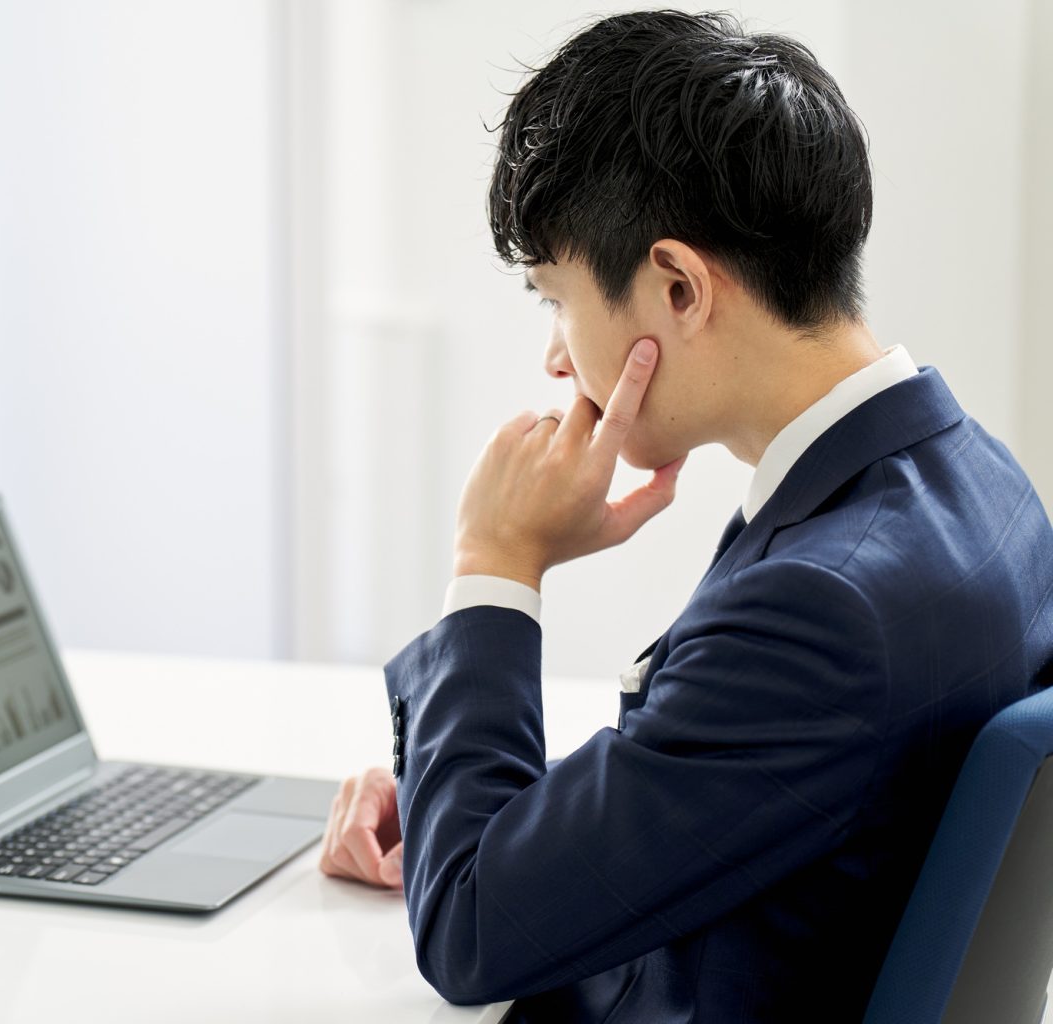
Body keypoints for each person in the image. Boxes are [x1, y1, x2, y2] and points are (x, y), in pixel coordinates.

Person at [315, 10, 1053, 1021]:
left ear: (676, 285)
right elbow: (747, 769)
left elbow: (471, 929)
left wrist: (495, 560)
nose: (557, 358)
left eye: (555, 299)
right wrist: (465, 801)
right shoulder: (978, 483)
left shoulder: (823, 606)